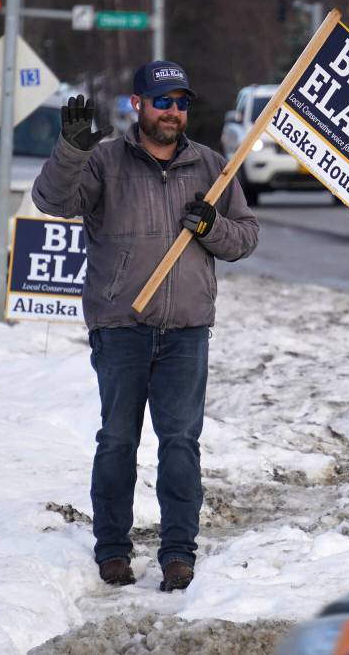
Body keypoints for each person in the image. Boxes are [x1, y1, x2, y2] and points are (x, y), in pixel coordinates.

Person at [31, 61, 259, 592]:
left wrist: (212, 227)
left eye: (181, 102)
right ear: (138, 104)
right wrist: (72, 150)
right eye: (162, 101)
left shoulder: (212, 167)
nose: (173, 112)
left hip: (186, 330)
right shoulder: (105, 161)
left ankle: (179, 555)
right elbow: (52, 202)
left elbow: (246, 237)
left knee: (180, 442)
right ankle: (112, 550)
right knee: (117, 440)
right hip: (121, 326)